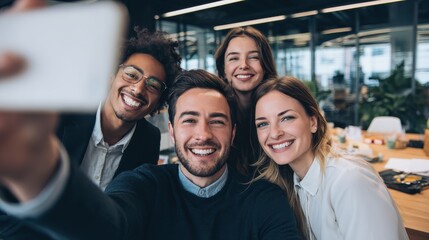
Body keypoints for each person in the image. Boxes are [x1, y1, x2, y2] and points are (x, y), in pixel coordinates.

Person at [0, 69, 300, 239]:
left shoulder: (262, 199)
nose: (203, 134)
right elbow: (105, 226)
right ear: (172, 129)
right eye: (189, 120)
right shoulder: (144, 186)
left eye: (217, 121)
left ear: (233, 133)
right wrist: (37, 168)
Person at [251, 76, 409, 240]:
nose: (275, 133)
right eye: (263, 124)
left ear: (313, 122)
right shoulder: (293, 183)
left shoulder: (349, 180)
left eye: (286, 118)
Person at [57, 26, 182, 191]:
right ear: (111, 77)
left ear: (159, 101)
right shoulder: (65, 115)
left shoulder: (149, 139)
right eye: (131, 74)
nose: (138, 89)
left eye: (153, 85)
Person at [214, 26, 277, 175]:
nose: (243, 65)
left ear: (265, 65)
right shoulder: (214, 112)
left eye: (254, 57)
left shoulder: (280, 108)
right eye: (234, 58)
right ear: (223, 68)